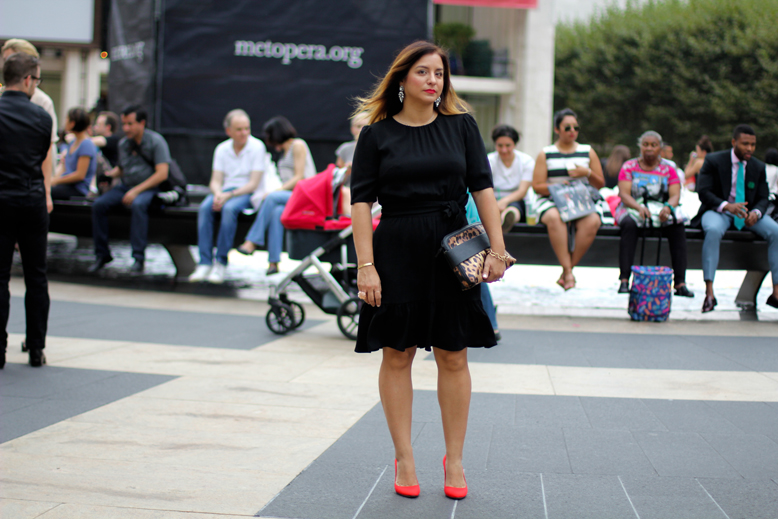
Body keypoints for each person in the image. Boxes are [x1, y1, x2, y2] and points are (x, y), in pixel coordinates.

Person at [350, 40, 508, 500]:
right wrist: (366, 266)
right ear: (402, 79)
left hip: (452, 249)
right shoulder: (376, 135)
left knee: (454, 353)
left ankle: (454, 460)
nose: (432, 81)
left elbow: (483, 191)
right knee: (396, 353)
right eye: (423, 72)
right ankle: (404, 456)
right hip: (395, 249)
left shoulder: (461, 126)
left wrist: (497, 250)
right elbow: (361, 203)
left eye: (438, 73)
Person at [0, 53, 53, 368]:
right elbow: (42, 153)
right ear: (28, 79)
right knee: (37, 277)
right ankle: (36, 348)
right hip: (31, 199)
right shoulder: (42, 117)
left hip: (1, 200)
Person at [693, 124, 778, 312]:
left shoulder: (758, 166)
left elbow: (763, 197)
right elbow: (704, 192)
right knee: (713, 230)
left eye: (753, 145)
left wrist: (756, 213)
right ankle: (709, 292)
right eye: (745, 144)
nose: (749, 148)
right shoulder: (714, 161)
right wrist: (726, 205)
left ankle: (776, 292)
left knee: (776, 232)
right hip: (718, 211)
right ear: (734, 142)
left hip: (748, 215)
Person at [189, 109, 270, 284]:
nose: (244, 133)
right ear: (229, 131)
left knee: (229, 209)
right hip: (225, 191)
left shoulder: (257, 147)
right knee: (204, 208)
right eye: (239, 129)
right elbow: (215, 180)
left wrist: (228, 195)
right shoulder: (222, 149)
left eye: (247, 129)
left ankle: (221, 262)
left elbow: (253, 184)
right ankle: (204, 262)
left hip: (246, 193)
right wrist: (218, 194)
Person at [89, 105, 170, 274]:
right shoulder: (124, 143)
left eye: (130, 124)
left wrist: (136, 191)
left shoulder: (156, 141)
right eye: (124, 124)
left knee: (139, 205)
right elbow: (122, 168)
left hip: (150, 188)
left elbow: (162, 173)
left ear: (142, 123)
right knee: (99, 205)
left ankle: (138, 258)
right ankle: (102, 254)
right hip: (126, 186)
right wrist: (109, 175)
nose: (126, 128)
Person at [612, 131, 693, 297]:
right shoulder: (629, 166)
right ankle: (625, 279)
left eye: (653, 145)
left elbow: (675, 195)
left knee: (677, 226)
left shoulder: (669, 168)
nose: (649, 148)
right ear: (640, 147)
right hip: (632, 207)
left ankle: (680, 282)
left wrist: (668, 208)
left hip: (660, 208)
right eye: (645, 144)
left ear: (660, 148)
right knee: (628, 225)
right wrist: (638, 207)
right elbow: (624, 194)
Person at [532, 108, 605, 290]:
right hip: (553, 200)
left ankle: (567, 271)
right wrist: (558, 187)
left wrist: (586, 172)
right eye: (567, 128)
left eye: (576, 128)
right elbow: (537, 185)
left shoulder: (587, 151)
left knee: (593, 220)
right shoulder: (546, 153)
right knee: (555, 218)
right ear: (557, 130)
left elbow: (600, 183)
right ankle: (568, 271)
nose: (572, 131)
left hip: (581, 200)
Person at [237, 116, 316, 275]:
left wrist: (277, 191)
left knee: (272, 198)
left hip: (306, 195)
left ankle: (252, 241)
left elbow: (299, 176)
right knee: (276, 213)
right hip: (292, 197)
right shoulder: (282, 155)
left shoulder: (297, 145)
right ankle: (273, 262)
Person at [1, 39, 58, 180]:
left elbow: (48, 149)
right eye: (5, 60)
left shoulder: (42, 102)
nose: (7, 64)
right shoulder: (2, 94)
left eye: (11, 59)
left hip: (27, 178)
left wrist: (47, 191)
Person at [487, 124, 535, 232]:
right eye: (500, 146)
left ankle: (508, 217)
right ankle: (503, 217)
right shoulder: (489, 161)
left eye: (508, 145)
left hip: (516, 200)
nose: (504, 150)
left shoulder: (526, 161)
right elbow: (486, 187)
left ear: (514, 145)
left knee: (515, 207)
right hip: (492, 200)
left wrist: (504, 201)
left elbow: (522, 191)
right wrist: (495, 204)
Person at [50, 107, 97, 199]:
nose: (65, 122)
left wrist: (56, 181)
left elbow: (80, 175)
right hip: (67, 185)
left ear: (72, 123)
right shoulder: (73, 142)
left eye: (66, 119)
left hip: (78, 189)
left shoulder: (86, 144)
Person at [334, 111, 370, 214]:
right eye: (358, 126)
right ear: (352, 129)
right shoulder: (344, 149)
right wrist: (346, 171)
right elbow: (336, 179)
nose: (361, 129)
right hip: (349, 192)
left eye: (365, 126)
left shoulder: (378, 147)